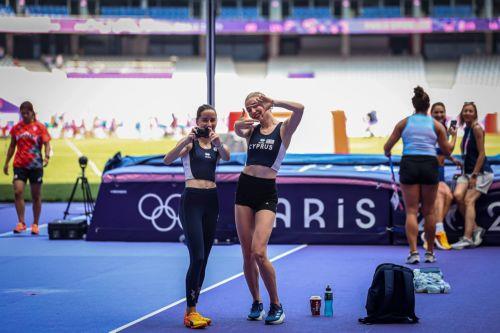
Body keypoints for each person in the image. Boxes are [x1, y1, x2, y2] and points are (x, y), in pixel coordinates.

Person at [234, 92, 304, 325]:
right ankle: (257, 301)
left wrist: (274, 101)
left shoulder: (283, 130)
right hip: (244, 189)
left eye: (256, 105)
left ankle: (276, 304)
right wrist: (235, 125)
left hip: (266, 192)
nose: (253, 110)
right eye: (249, 107)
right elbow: (237, 131)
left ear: (265, 105)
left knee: (259, 252)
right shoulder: (251, 131)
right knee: (246, 253)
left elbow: (300, 108)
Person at [164, 104, 230, 329]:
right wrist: (185, 140)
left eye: (213, 120)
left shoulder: (215, 143)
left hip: (212, 201)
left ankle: (194, 308)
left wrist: (219, 142)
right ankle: (189, 311)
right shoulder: (190, 143)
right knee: (198, 257)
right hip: (192, 201)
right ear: (197, 120)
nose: (209, 124)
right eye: (205, 120)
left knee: (205, 258)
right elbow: (167, 159)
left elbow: (228, 157)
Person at [384, 87, 456, 264]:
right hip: (429, 165)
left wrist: (388, 153)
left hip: (409, 163)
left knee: (411, 211)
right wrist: (454, 137)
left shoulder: (404, 123)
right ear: (428, 106)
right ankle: (430, 253)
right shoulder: (436, 125)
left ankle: (414, 252)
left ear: (414, 105)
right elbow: (447, 150)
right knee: (429, 211)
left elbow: (387, 147)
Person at [3, 101, 51, 235]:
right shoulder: (16, 128)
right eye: (22, 113)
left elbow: (47, 143)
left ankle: (35, 224)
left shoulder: (40, 127)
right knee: (18, 192)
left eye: (27, 113)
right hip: (19, 165)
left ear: (32, 113)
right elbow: (12, 146)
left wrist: (47, 157)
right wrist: (6, 162)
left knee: (36, 196)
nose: (24, 115)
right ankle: (21, 222)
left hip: (36, 166)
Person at [451, 102, 494, 249]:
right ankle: (476, 228)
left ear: (475, 114)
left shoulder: (476, 128)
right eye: (465, 111)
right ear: (462, 113)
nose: (467, 113)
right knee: (457, 196)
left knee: (469, 200)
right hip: (467, 172)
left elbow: (482, 153)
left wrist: (474, 175)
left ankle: (467, 237)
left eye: (470, 111)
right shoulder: (467, 128)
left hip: (481, 172)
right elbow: (470, 153)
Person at [420, 102, 461, 250]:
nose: (439, 115)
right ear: (431, 113)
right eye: (436, 112)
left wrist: (453, 160)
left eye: (441, 112)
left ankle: (431, 232)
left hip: (439, 170)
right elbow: (447, 149)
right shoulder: (429, 128)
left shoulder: (441, 128)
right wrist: (454, 136)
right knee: (440, 194)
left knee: (448, 196)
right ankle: (438, 232)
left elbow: (443, 151)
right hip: (430, 169)